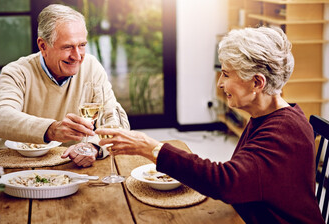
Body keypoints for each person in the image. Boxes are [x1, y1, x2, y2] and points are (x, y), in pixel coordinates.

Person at [95, 26, 324, 223]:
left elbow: (225, 182)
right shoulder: (268, 117)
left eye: (226, 74)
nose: (221, 83)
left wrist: (149, 147)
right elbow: (243, 178)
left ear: (257, 82)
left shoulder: (285, 132)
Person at [0, 4, 129, 167]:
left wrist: (93, 146)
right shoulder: (17, 71)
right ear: (43, 46)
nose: (77, 56)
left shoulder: (91, 67)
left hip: (72, 167)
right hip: (18, 166)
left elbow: (114, 120)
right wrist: (51, 129)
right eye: (68, 47)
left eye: (82, 45)